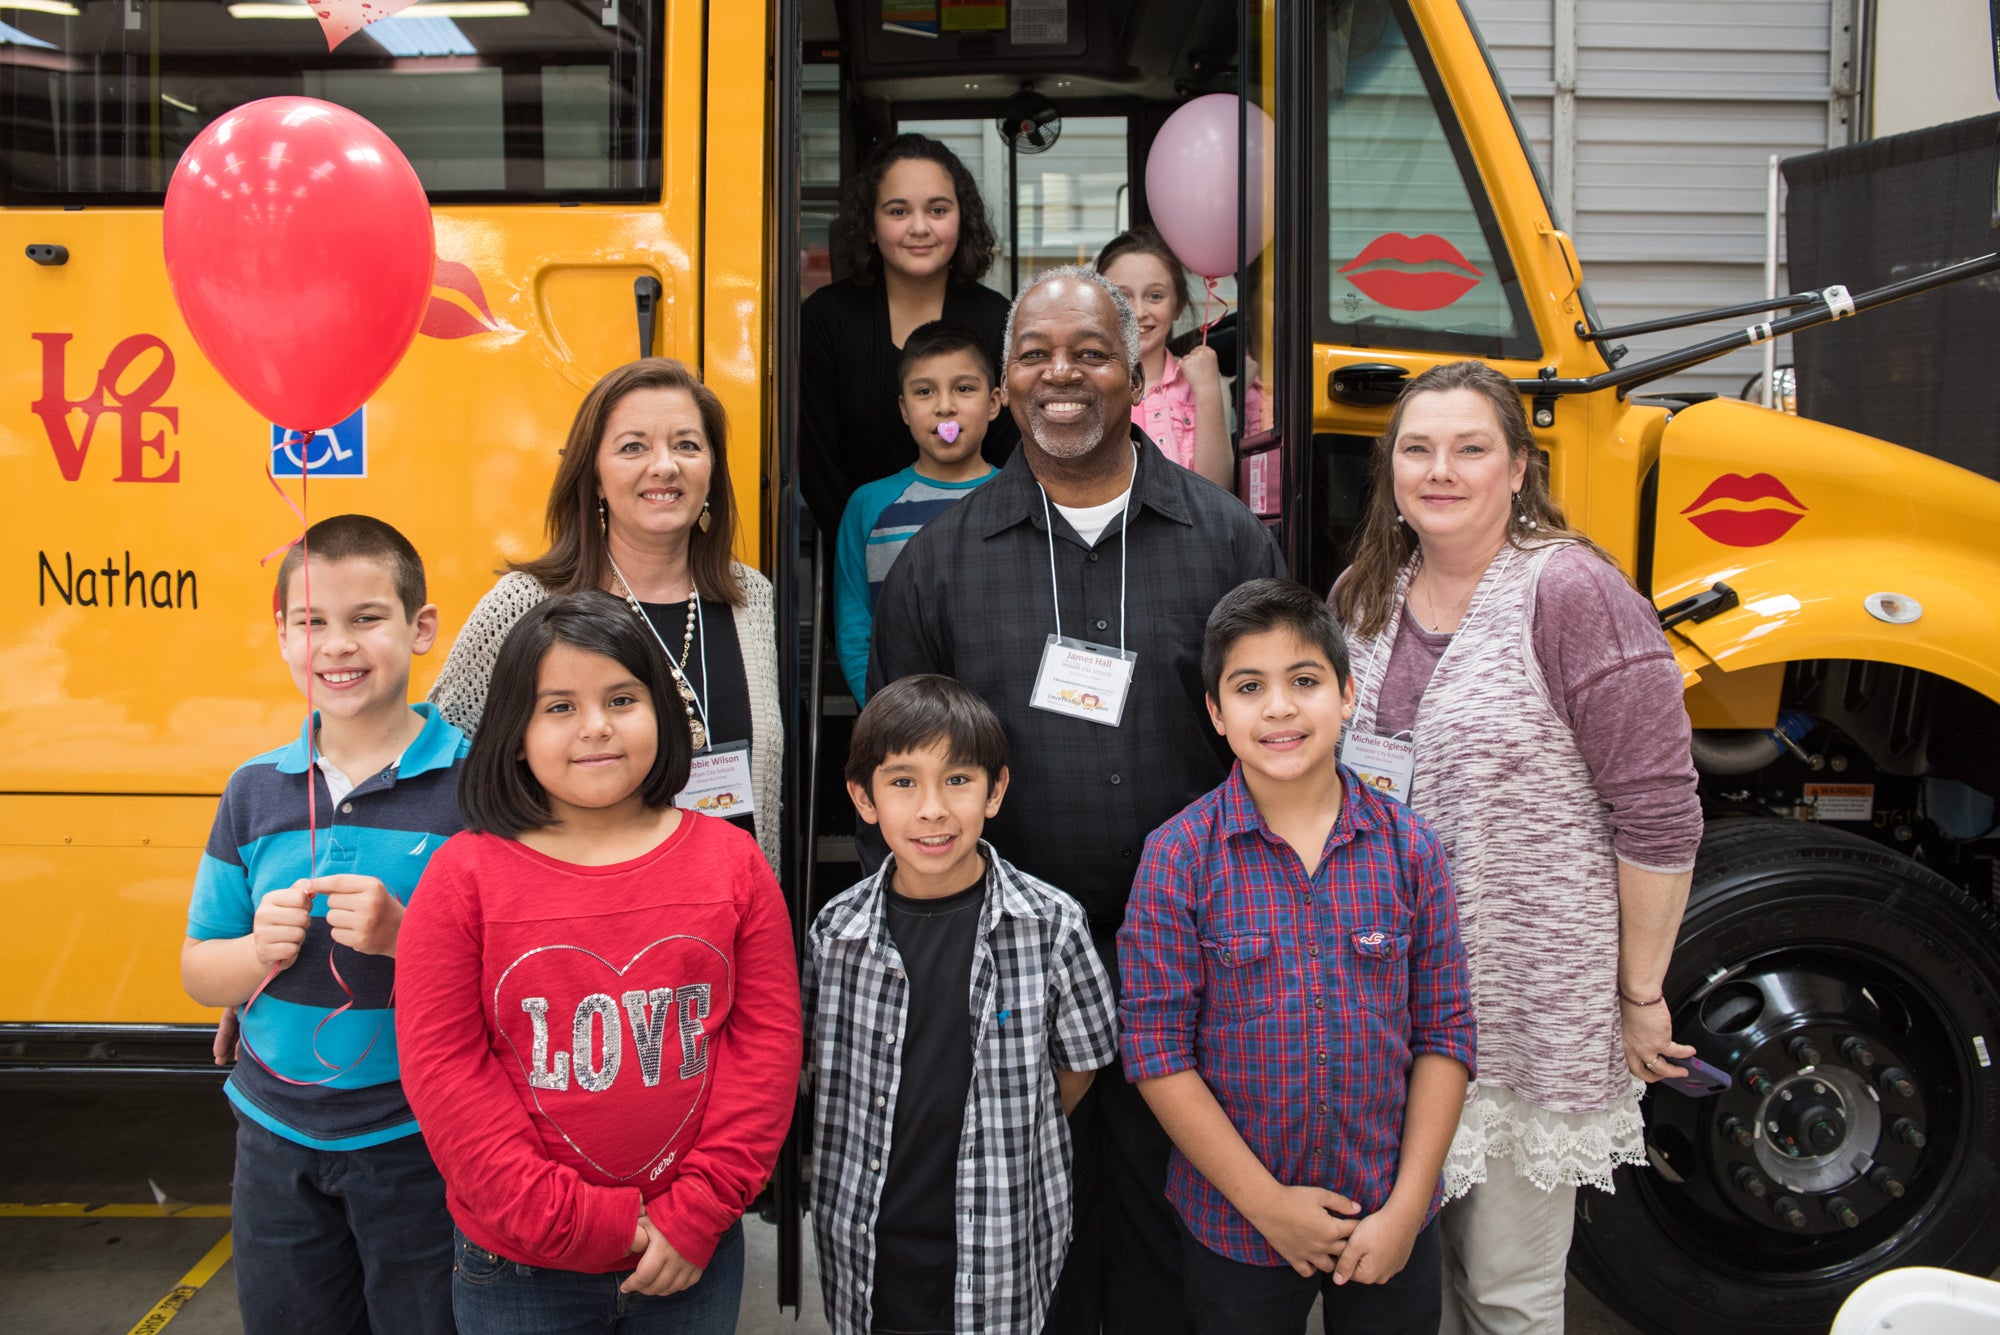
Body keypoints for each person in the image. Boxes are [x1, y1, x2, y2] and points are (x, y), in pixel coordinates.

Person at [868, 265, 1286, 1335]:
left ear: (1136, 371)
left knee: (1170, 1228)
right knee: (1018, 1229)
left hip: (1195, 955)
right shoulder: (936, 564)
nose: (1063, 375)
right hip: (1003, 961)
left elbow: (1279, 749)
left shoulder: (1228, 541)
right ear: (1005, 385)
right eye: (1036, 355)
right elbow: (905, 769)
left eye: (1091, 352)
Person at [1327, 359, 1702, 1335]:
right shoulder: (1362, 597)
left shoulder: (1569, 591)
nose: (1438, 469)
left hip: (1521, 1015)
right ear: (1390, 468)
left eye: (1467, 448)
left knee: (1502, 1296)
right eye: (1416, 448)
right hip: (1387, 1016)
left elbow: (1656, 809)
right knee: (1411, 1293)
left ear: (1519, 468)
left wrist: (1638, 993)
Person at [396, 592, 800, 1334]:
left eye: (622, 698)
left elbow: (765, 1048)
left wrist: (696, 1212)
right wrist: (573, 1221)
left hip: (691, 1255)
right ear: (513, 732)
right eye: (558, 707)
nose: (596, 727)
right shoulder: (463, 878)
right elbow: (444, 1069)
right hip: (518, 1263)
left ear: (662, 711)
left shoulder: (733, 864)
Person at [1119, 579, 1475, 1335]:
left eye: (1304, 681)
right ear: (1216, 712)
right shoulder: (1178, 858)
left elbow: (1445, 1034)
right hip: (1237, 1224)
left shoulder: (1412, 851)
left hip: (1389, 1214)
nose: (1279, 707)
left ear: (1347, 695)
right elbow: (1155, 1052)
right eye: (1250, 687)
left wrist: (1408, 1207)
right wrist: (1269, 1206)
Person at [180, 514, 465, 1335]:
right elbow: (201, 971)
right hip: (274, 1137)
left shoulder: (476, 786)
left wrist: (406, 938)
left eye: (365, 618)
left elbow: (510, 972)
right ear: (281, 636)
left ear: (420, 628)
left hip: (419, 1135)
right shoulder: (254, 791)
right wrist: (253, 955)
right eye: (311, 622)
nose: (336, 644)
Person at [806, 674, 1119, 1334]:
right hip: (868, 1241)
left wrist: (1003, 1115)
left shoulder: (1051, 925)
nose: (932, 809)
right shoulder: (835, 935)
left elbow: (1081, 1063)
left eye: (957, 779)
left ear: (995, 789)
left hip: (1002, 1238)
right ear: (862, 797)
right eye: (902, 782)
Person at [427, 357, 781, 872]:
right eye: (633, 447)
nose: (664, 466)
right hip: (573, 921)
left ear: (711, 470)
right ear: (593, 476)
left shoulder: (752, 599)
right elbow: (445, 761)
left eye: (687, 444)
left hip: (728, 913)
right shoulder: (526, 603)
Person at [800, 133, 1019, 535]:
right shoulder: (825, 318)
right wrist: (864, 542)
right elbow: (815, 462)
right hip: (860, 549)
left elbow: (1010, 455)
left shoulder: (998, 318)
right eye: (898, 211)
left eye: (937, 209)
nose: (920, 227)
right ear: (870, 225)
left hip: (980, 545)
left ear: (962, 219)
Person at [833, 321, 1003, 702]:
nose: (945, 406)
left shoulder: (1022, 498)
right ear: (904, 409)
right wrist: (880, 710)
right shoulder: (869, 505)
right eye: (925, 391)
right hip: (904, 718)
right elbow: (855, 624)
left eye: (964, 388)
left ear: (994, 402)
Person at [1094, 226, 1233, 489]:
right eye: (1122, 297)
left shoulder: (1203, 382)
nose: (1138, 311)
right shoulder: (1086, 382)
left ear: (1178, 304)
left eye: (1155, 296)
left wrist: (1207, 391)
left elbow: (1219, 491)